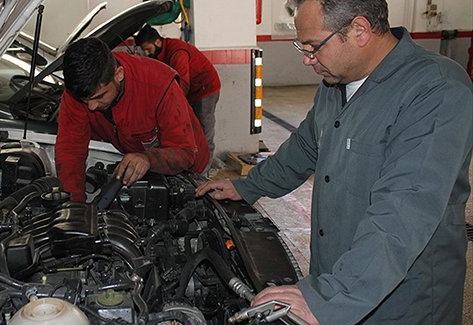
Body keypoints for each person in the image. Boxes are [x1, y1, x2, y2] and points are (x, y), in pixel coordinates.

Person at [195, 0, 473, 324]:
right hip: (339, 276)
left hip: (402, 301)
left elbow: (404, 212)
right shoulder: (334, 84)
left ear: (359, 30)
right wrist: (248, 186)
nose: (306, 59)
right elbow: (303, 148)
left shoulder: (435, 89)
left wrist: (329, 297)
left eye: (313, 47)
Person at [55, 37, 209, 202]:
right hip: (141, 161)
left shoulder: (158, 84)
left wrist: (148, 158)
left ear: (118, 74)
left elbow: (184, 153)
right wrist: (74, 205)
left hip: (189, 169)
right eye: (86, 101)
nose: (91, 106)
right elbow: (70, 151)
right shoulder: (78, 94)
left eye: (99, 96)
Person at [134, 25, 221, 168]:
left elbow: (183, 83)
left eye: (148, 49)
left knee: (204, 132)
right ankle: (192, 166)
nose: (146, 53)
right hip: (192, 91)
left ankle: (204, 173)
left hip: (205, 89)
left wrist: (170, 108)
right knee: (191, 132)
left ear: (157, 41)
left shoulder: (177, 52)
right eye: (143, 50)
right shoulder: (159, 53)